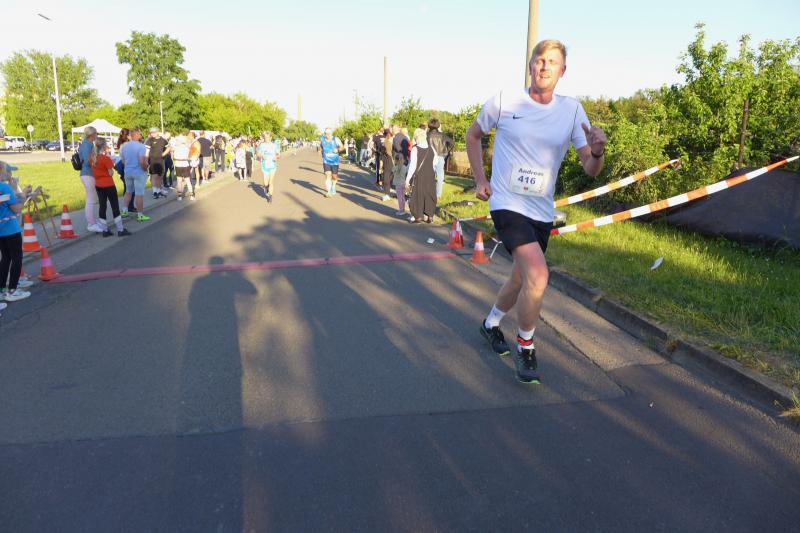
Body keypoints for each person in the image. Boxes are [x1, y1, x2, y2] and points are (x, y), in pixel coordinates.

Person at [468, 39, 607, 384]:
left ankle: (490, 323)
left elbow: (590, 169)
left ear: (563, 71)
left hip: (541, 210)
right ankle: (526, 345)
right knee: (538, 275)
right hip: (507, 204)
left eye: (552, 62)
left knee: (521, 277)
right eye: (540, 60)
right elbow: (473, 136)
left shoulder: (572, 111)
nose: (544, 67)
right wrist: (481, 179)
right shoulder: (505, 101)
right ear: (530, 66)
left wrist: (597, 152)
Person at [0, 161, 31, 302]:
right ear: (2, 171)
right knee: (17, 257)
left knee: (5, 258)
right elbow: (17, 209)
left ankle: (2, 290)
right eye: (8, 170)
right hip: (11, 228)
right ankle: (12, 290)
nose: (10, 173)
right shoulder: (5, 187)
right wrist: (22, 196)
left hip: (1, 229)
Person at [90, 138, 131, 237]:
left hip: (98, 185)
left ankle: (104, 230)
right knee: (115, 206)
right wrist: (111, 165)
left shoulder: (92, 158)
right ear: (104, 146)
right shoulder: (106, 159)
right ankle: (120, 229)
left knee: (102, 206)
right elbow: (111, 173)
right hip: (108, 185)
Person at [405, 128, 437, 223]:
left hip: (419, 175)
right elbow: (435, 162)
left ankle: (418, 216)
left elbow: (412, 165)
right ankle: (430, 215)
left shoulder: (415, 149)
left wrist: (407, 179)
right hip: (430, 174)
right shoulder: (432, 148)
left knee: (418, 194)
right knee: (429, 194)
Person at [120, 128, 151, 222]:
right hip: (138, 172)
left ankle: (124, 211)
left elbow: (123, 161)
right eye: (140, 134)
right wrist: (145, 169)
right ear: (136, 135)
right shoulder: (141, 146)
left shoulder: (124, 146)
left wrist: (129, 166)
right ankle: (140, 215)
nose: (140, 136)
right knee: (139, 194)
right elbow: (142, 161)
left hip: (128, 171)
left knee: (128, 191)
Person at [77, 126, 103, 233]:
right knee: (91, 200)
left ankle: (92, 221)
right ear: (92, 134)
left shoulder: (86, 144)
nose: (97, 135)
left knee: (92, 199)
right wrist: (98, 161)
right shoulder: (87, 145)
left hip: (87, 174)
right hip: (88, 174)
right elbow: (88, 161)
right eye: (96, 133)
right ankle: (91, 223)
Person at [427, 118, 454, 198]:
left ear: (429, 125)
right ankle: (438, 194)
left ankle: (429, 192)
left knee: (429, 176)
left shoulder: (427, 135)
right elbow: (452, 143)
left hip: (430, 156)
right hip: (440, 156)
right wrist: (447, 151)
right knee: (440, 176)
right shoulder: (442, 135)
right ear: (438, 125)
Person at [145, 127, 170, 199]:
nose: (152, 134)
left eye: (153, 132)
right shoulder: (149, 140)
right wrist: (146, 161)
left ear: (157, 132)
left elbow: (168, 148)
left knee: (160, 176)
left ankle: (158, 191)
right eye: (151, 132)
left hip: (161, 161)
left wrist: (163, 154)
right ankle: (155, 192)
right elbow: (147, 152)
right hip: (152, 161)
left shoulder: (163, 140)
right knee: (154, 176)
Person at [320, 128, 344, 197]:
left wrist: (338, 150)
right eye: (326, 134)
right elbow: (321, 146)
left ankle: (333, 186)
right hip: (326, 161)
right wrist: (320, 151)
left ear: (331, 133)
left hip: (335, 161)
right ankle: (328, 192)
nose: (327, 135)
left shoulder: (336, 139)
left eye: (328, 134)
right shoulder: (322, 139)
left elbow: (342, 147)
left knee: (334, 177)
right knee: (327, 175)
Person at [172, 133, 195, 201]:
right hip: (185, 164)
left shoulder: (175, 147)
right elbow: (190, 156)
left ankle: (179, 196)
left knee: (179, 181)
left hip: (178, 165)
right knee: (187, 180)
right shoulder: (187, 147)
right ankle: (192, 196)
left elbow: (173, 156)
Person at [257, 132, 279, 202]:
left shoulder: (274, 145)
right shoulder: (261, 145)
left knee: (271, 182)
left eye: (267, 137)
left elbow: (278, 155)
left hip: (273, 165)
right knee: (266, 183)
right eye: (265, 137)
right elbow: (258, 154)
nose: (266, 139)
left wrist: (276, 157)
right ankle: (266, 187)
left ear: (270, 138)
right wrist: (262, 155)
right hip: (265, 165)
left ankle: (270, 196)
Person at [380, 129, 394, 201]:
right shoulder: (392, 142)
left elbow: (382, 157)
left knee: (386, 179)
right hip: (391, 161)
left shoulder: (385, 143)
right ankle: (388, 192)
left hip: (387, 162)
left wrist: (380, 168)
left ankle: (387, 194)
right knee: (389, 178)